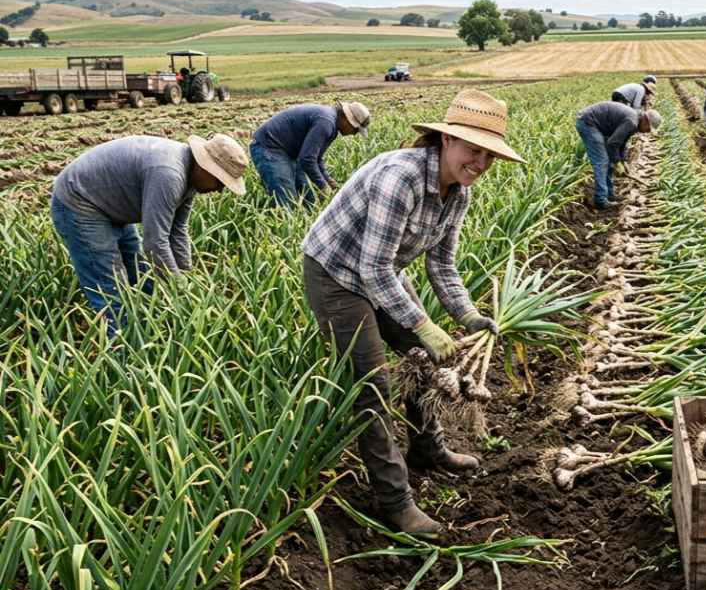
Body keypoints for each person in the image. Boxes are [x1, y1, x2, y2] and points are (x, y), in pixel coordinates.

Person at [302, 89, 524, 537]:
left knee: (422, 362)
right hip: (336, 274)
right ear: (446, 140)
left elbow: (441, 264)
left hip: (384, 273)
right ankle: (395, 502)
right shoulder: (400, 179)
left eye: (489, 156)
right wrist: (422, 325)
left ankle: (427, 448)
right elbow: (371, 268)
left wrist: (468, 317)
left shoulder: (457, 193)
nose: (480, 163)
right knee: (373, 386)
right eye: (474, 150)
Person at [50, 134, 248, 334]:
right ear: (205, 167)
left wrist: (186, 277)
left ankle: (148, 331)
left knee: (141, 274)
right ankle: (121, 346)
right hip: (80, 202)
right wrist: (180, 287)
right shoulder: (169, 174)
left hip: (111, 206)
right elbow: (155, 242)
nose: (220, 190)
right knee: (112, 291)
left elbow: (177, 231)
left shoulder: (190, 178)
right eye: (220, 181)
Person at [250, 102, 371, 207]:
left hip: (288, 152)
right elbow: (307, 159)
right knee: (287, 201)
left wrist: (328, 180)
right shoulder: (326, 122)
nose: (354, 133)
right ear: (346, 119)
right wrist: (323, 186)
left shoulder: (332, 126)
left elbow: (316, 158)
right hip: (269, 147)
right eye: (355, 129)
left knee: (310, 198)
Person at [575, 101, 661, 210]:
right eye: (648, 129)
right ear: (646, 120)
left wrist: (623, 161)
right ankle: (600, 200)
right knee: (602, 161)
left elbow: (621, 143)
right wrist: (617, 163)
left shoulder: (634, 120)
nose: (647, 132)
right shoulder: (632, 121)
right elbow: (612, 144)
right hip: (588, 123)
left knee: (609, 161)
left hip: (597, 125)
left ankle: (610, 195)